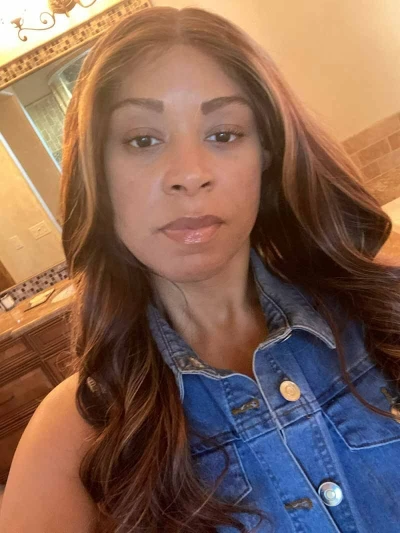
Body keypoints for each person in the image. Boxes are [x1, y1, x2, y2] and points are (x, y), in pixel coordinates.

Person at [1, 6, 400, 533]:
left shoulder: (385, 312)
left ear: (266, 153)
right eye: (143, 140)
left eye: (224, 133)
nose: (189, 175)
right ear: (97, 173)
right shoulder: (75, 435)